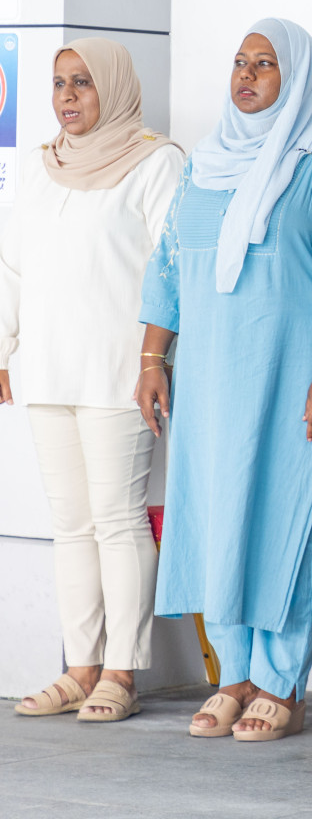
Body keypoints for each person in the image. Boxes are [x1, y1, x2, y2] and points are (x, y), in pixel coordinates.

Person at [136, 18, 312, 742]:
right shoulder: (206, 165)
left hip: (296, 382)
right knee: (217, 519)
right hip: (209, 383)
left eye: (264, 65)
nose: (246, 75)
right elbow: (168, 270)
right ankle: (233, 676)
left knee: (283, 523)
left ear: (295, 77)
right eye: (240, 62)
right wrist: (151, 360)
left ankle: (281, 682)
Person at [1, 39, 183, 722]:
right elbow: (10, 266)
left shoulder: (156, 162)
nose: (68, 96)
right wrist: (1, 348)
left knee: (115, 520)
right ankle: (79, 668)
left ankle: (122, 671)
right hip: (46, 369)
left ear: (113, 86)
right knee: (70, 524)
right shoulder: (43, 167)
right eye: (57, 84)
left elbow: (173, 269)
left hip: (119, 372)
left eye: (82, 82)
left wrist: (154, 361)